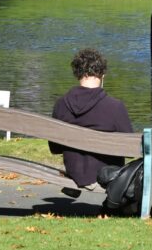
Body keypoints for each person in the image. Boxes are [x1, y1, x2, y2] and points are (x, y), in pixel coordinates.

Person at [49, 48, 133, 189]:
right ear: (102, 75)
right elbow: (130, 149)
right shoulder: (115, 106)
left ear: (77, 74)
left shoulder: (61, 104)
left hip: (74, 171)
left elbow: (55, 148)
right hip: (106, 174)